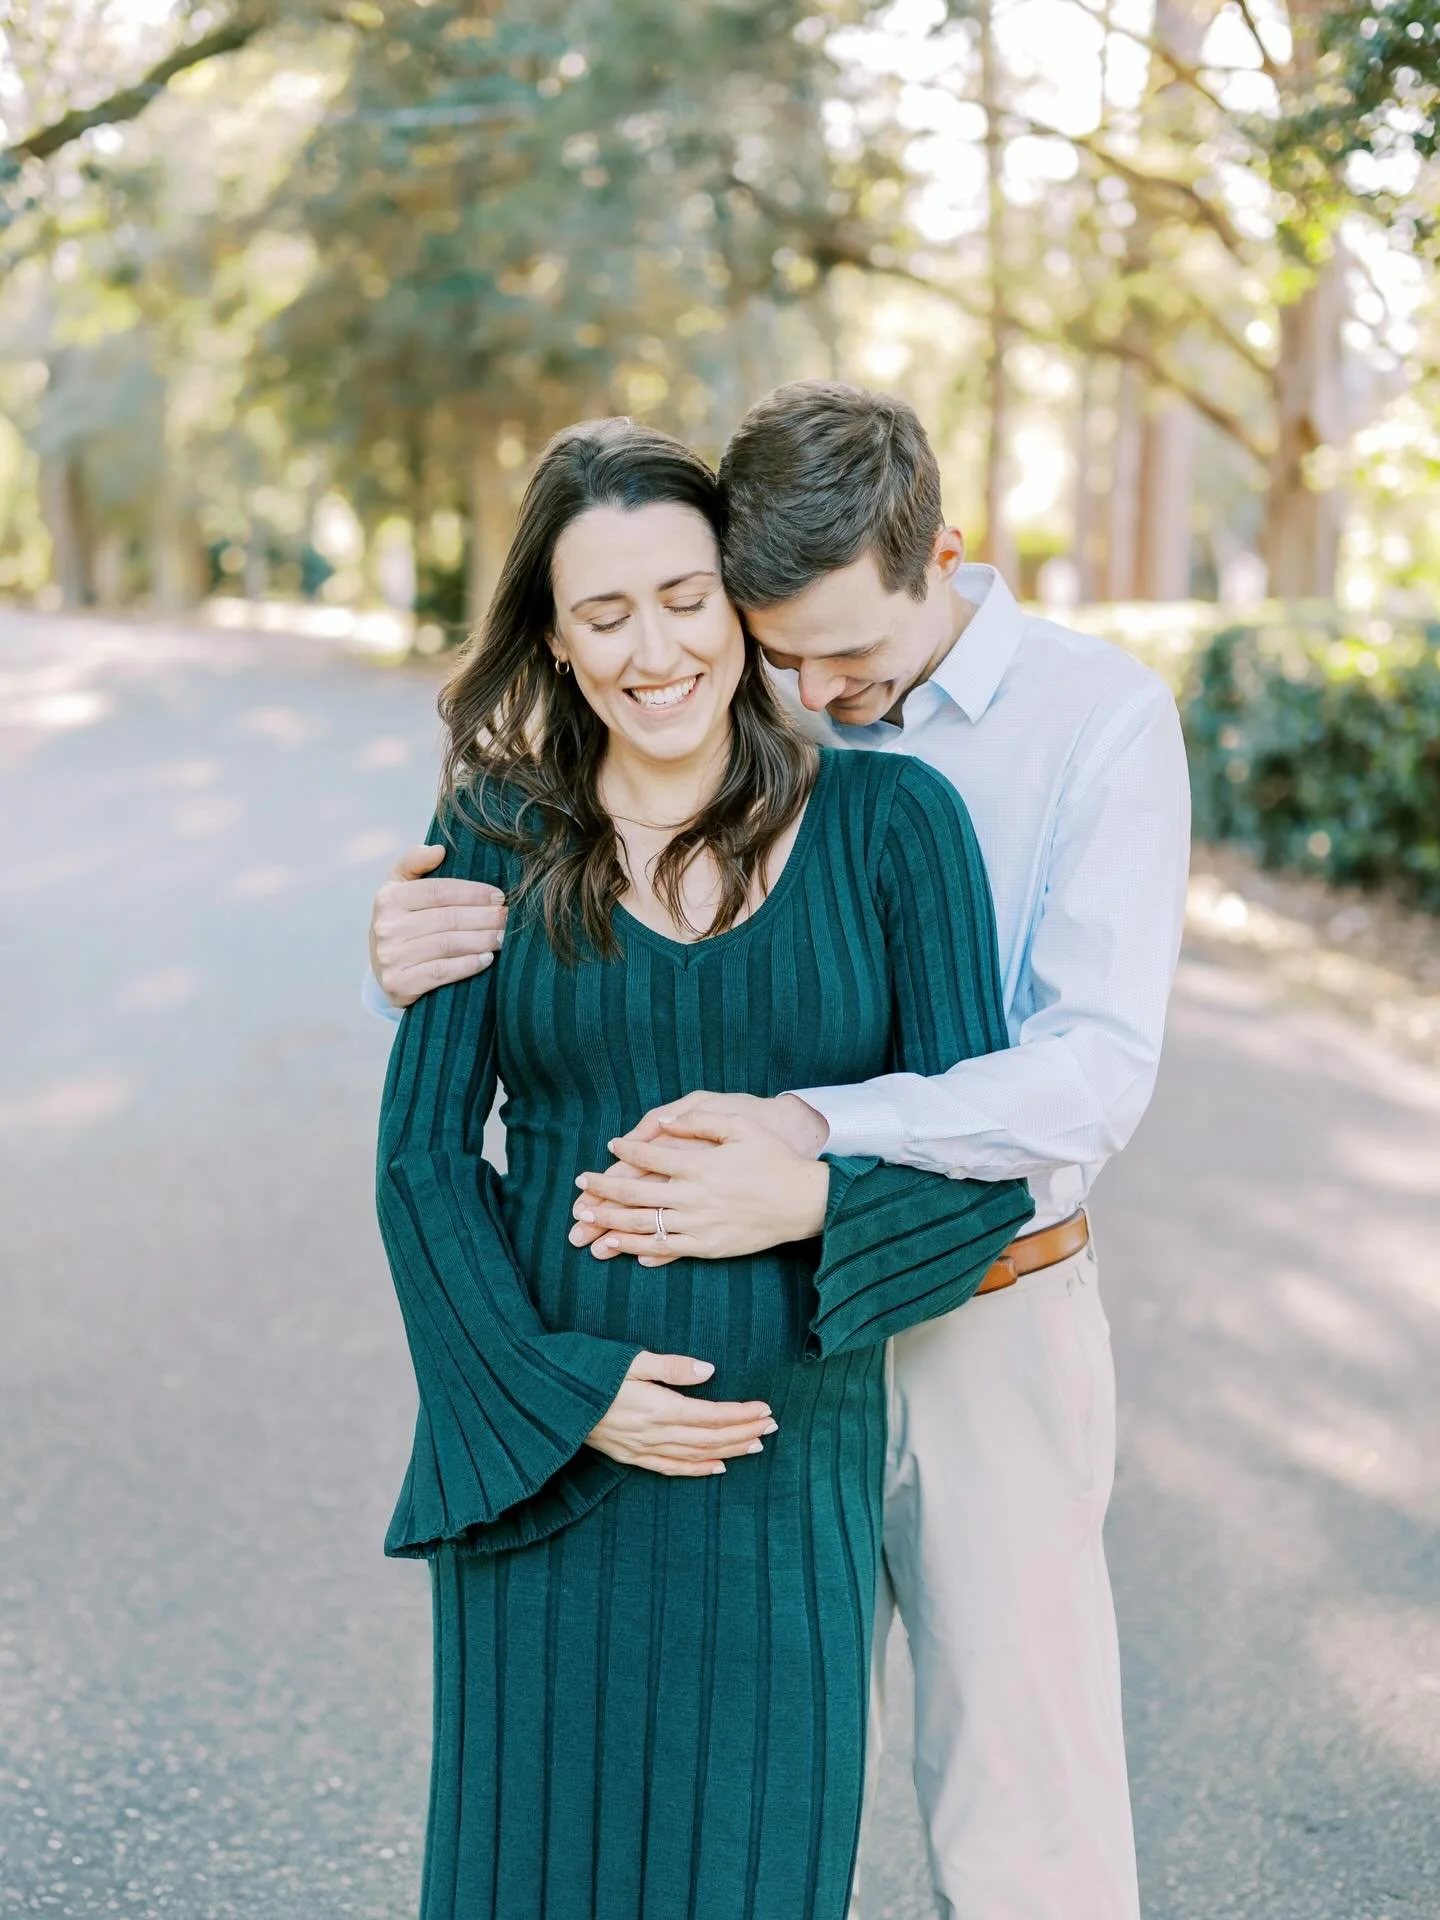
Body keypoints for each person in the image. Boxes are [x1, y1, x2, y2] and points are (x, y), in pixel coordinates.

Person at [369, 382, 1191, 1920]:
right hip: (586, 1426)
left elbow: (1080, 1084)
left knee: (1017, 1798)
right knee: (529, 1854)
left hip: (972, 1318)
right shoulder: (550, 798)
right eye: (781, 640)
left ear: (942, 559)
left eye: (697, 606)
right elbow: (428, 1143)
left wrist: (811, 1156)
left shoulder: (1057, 740)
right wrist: (556, 1391)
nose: (809, 681)